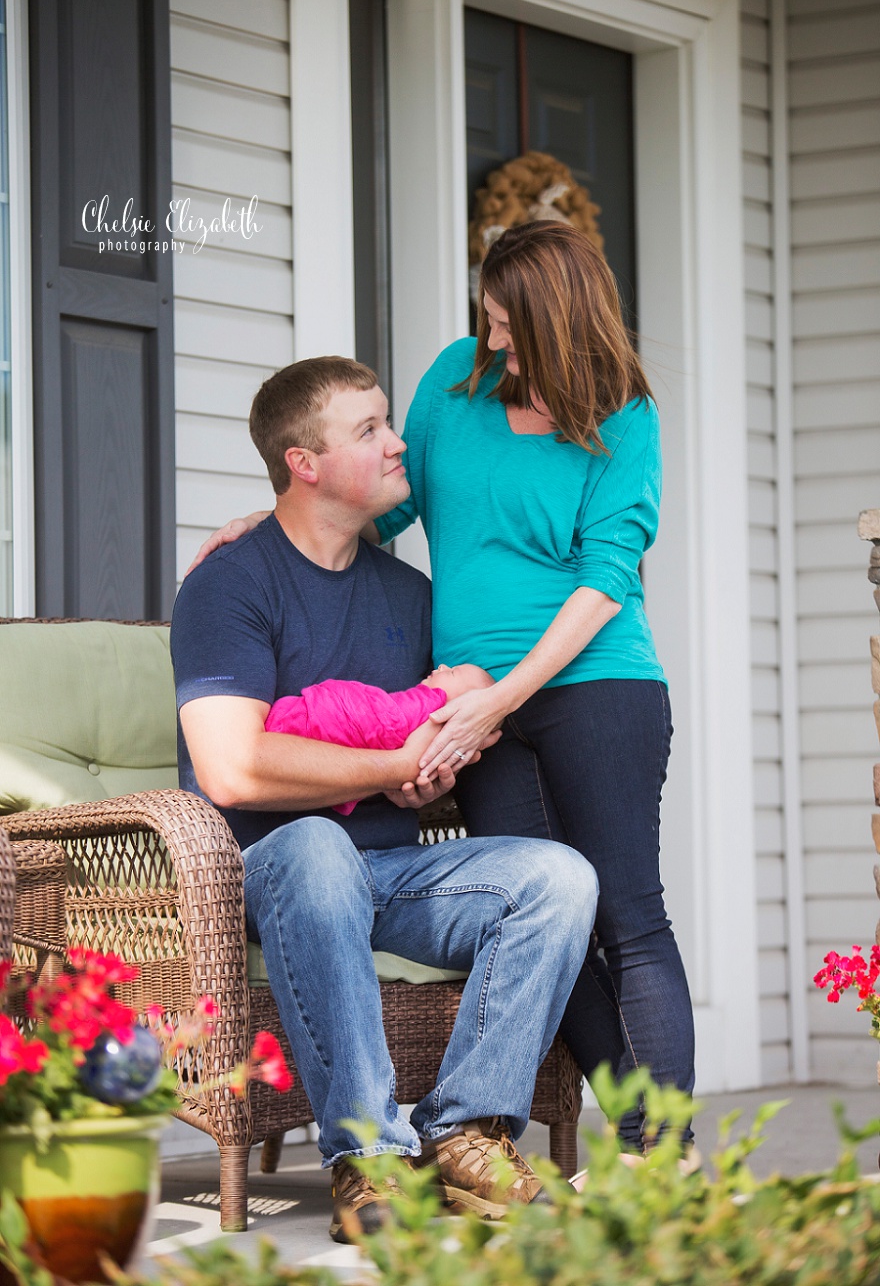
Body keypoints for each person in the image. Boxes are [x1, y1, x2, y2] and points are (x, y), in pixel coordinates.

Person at [190, 220, 696, 1155]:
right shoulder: (456, 382)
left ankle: (662, 1153)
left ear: (554, 320)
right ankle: (620, 1135)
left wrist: (501, 698)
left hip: (594, 681)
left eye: (507, 324)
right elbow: (385, 498)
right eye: (488, 319)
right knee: (559, 903)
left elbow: (609, 572)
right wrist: (273, 522)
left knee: (626, 910)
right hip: (474, 703)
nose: (492, 339)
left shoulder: (623, 414)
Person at [171, 354, 599, 1243]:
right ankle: (365, 1156)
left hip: (387, 873)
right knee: (318, 849)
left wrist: (433, 763)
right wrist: (387, 764)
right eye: (368, 429)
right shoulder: (230, 581)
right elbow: (232, 770)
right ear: (305, 463)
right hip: (256, 874)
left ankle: (467, 1134)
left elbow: (430, 735)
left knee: (557, 877)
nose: (399, 440)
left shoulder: (410, 594)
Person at [265, 663, 494, 814]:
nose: (442, 666)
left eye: (453, 672)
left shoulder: (429, 707)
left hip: (312, 723)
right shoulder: (422, 711)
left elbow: (386, 722)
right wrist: (402, 765)